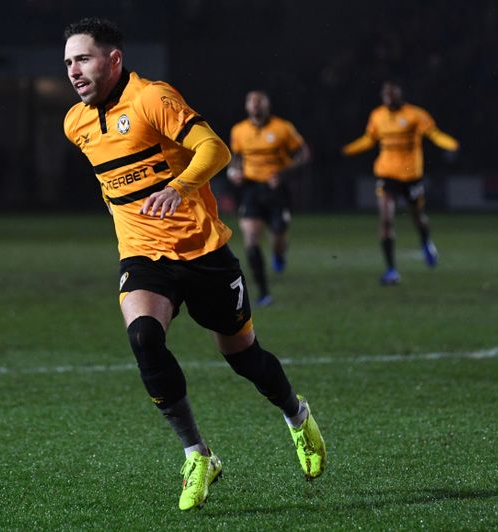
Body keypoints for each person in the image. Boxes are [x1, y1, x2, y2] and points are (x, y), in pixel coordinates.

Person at [62, 18, 326, 511]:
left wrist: (179, 187)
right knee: (143, 337)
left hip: (203, 254)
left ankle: (296, 416)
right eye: (69, 62)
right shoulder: (75, 123)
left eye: (84, 59)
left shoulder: (152, 99)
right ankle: (197, 454)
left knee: (244, 358)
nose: (74, 71)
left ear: (113, 59)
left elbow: (215, 149)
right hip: (144, 257)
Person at [342, 82, 458, 285]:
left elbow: (434, 134)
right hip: (386, 174)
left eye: (391, 95)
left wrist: (451, 144)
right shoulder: (377, 115)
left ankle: (425, 242)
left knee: (418, 217)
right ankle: (391, 270)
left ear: (399, 95)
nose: (388, 99)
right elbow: (369, 140)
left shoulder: (415, 115)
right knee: (386, 219)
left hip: (411, 175)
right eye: (385, 95)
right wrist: (347, 150)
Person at [227, 91, 311, 306]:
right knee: (251, 240)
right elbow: (236, 158)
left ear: (267, 105)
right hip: (251, 190)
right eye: (251, 103)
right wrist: (233, 172)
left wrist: (283, 175)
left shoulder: (283, 128)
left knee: (278, 235)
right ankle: (264, 293)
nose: (255, 106)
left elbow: (303, 153)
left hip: (277, 191)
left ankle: (279, 253)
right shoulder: (239, 130)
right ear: (247, 106)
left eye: (259, 102)